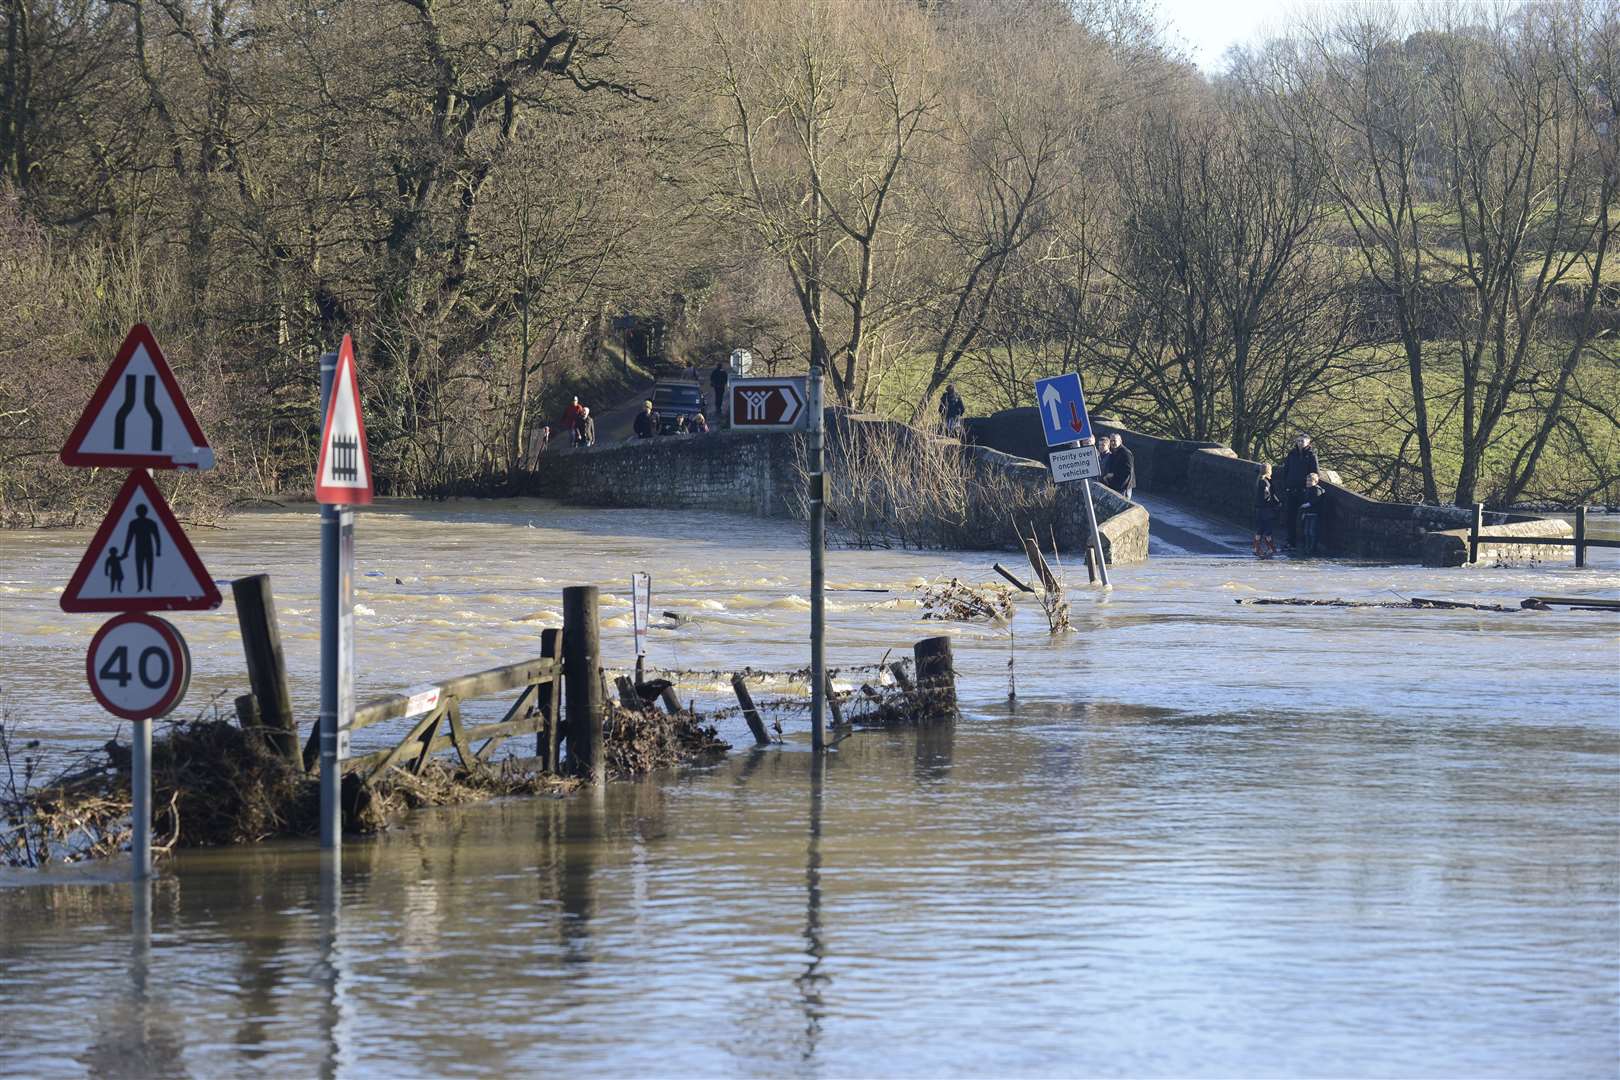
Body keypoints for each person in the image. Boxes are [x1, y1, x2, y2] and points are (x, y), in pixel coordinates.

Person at [1281, 434, 1320, 547]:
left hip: (1304, 491)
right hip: (1291, 489)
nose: (1300, 443)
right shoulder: (1292, 454)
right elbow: (1286, 470)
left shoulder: (1311, 455)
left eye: (1302, 441)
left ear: (1308, 442)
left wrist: (1310, 486)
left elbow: (1315, 472)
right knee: (1290, 517)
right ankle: (1290, 541)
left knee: (1304, 518)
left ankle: (1303, 542)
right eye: (1298, 441)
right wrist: (1286, 485)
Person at [121, 503, 161, 592]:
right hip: (140, 549)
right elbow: (129, 538)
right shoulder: (134, 523)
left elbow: (157, 537)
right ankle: (141, 587)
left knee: (148, 568)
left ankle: (148, 587)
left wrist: (158, 550)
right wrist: (125, 552)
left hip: (147, 549)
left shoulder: (150, 523)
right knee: (140, 568)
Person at [1296, 471, 1327, 557]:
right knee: (1306, 531)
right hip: (1307, 514)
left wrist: (1307, 505)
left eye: (1310, 481)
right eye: (1307, 481)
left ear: (1316, 481)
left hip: (1314, 514)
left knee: (1311, 532)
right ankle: (1307, 547)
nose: (1308, 483)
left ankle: (1312, 548)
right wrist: (1304, 512)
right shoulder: (1308, 490)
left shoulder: (1317, 490)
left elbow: (1315, 501)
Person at [1253, 464, 1281, 558]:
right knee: (1268, 529)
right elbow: (1267, 494)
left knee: (1260, 529)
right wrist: (1274, 503)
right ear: (1269, 471)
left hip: (1260, 509)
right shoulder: (1265, 482)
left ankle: (1256, 548)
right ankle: (1270, 548)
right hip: (1266, 509)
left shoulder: (1259, 480)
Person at [1105, 434, 1135, 501]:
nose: (1112, 443)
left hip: (1124, 486)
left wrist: (1114, 474)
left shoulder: (1126, 453)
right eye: (1111, 441)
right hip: (1116, 485)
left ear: (1120, 441)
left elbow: (1128, 470)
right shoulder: (1114, 451)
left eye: (1114, 441)